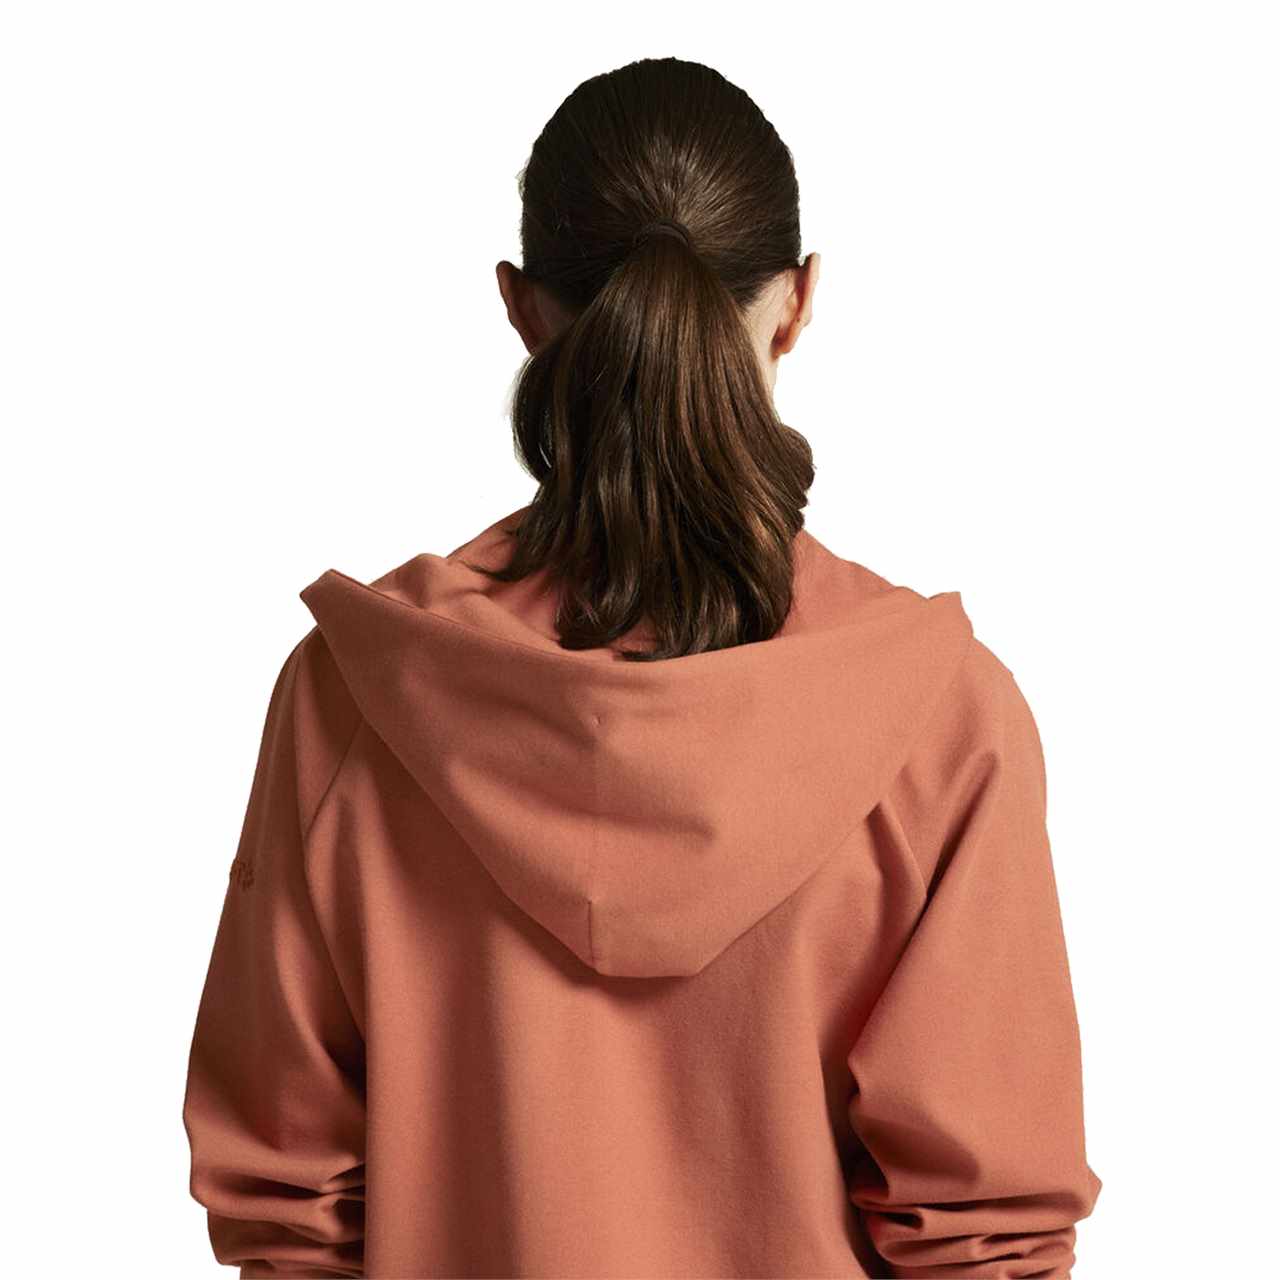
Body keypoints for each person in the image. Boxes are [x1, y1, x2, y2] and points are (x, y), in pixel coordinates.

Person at [181, 55, 1102, 1279]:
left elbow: (287, 1202)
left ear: (521, 309)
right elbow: (983, 1233)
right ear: (796, 303)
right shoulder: (939, 718)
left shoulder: (357, 699)